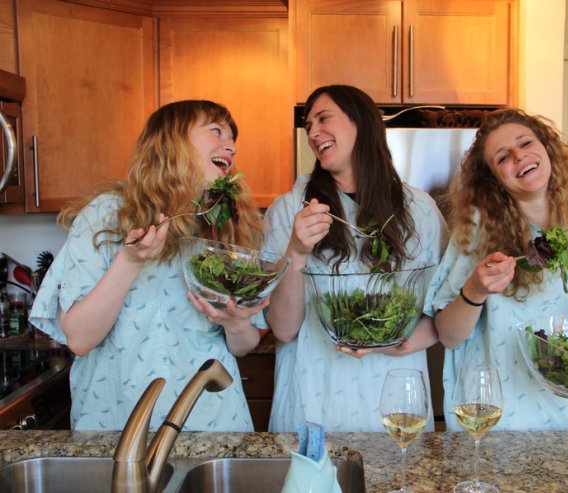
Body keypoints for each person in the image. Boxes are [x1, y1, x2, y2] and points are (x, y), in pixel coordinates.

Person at [30, 100, 268, 431]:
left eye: (232, 137)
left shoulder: (225, 225)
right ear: (171, 142)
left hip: (212, 421)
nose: (231, 145)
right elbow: (80, 339)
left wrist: (236, 323)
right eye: (216, 131)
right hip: (117, 423)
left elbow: (243, 345)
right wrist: (130, 260)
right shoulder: (107, 215)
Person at [263, 85, 448, 432]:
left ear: (361, 121)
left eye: (323, 118)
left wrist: (409, 340)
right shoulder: (291, 208)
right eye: (308, 127)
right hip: (314, 397)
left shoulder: (419, 209)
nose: (314, 133)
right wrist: (296, 251)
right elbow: (284, 328)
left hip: (396, 398)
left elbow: (446, 310)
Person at [430, 108, 568, 431]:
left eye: (526, 143)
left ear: (545, 147)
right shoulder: (477, 230)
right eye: (503, 157)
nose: (519, 156)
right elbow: (447, 335)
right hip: (496, 420)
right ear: (493, 178)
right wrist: (475, 290)